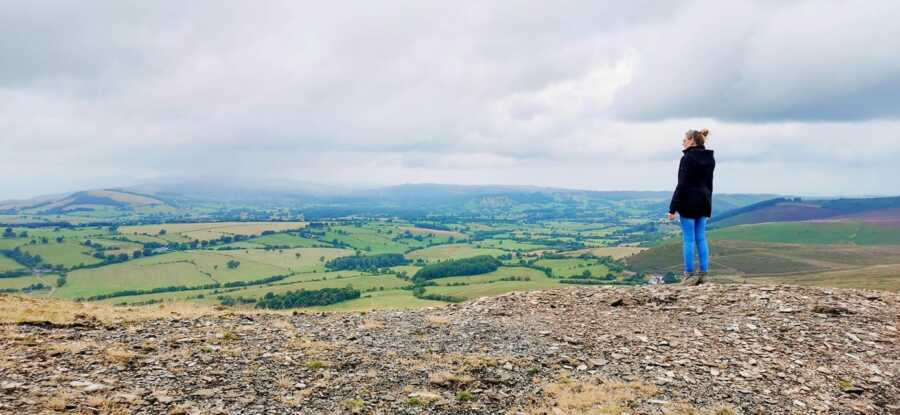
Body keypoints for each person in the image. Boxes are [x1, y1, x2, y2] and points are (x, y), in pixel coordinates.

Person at [667, 129, 715, 285]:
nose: (683, 142)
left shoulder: (687, 158)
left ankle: (689, 274)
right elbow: (709, 184)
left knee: (688, 239)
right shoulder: (710, 158)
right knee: (701, 238)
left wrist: (672, 208)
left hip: (688, 202)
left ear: (692, 141)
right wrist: (709, 204)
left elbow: (681, 185)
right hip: (703, 201)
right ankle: (704, 274)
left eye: (685, 139)